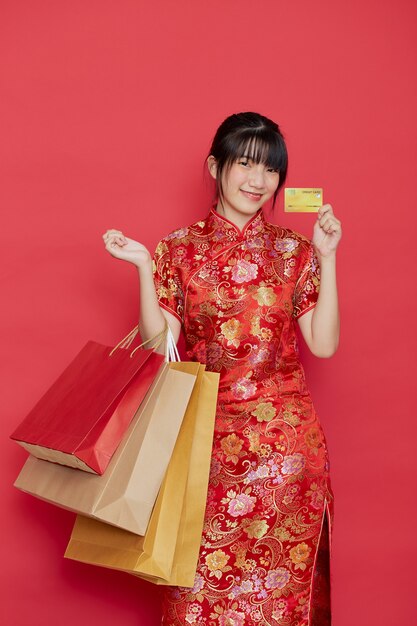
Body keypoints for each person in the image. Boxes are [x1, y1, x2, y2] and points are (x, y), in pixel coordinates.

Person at [103, 112, 342, 626]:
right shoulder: (177, 250)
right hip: (204, 447)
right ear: (216, 166)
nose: (258, 181)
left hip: (287, 451)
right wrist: (145, 268)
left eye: (271, 170)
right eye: (246, 164)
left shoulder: (293, 252)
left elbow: (323, 344)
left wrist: (328, 257)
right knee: (197, 596)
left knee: (279, 600)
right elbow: (157, 347)